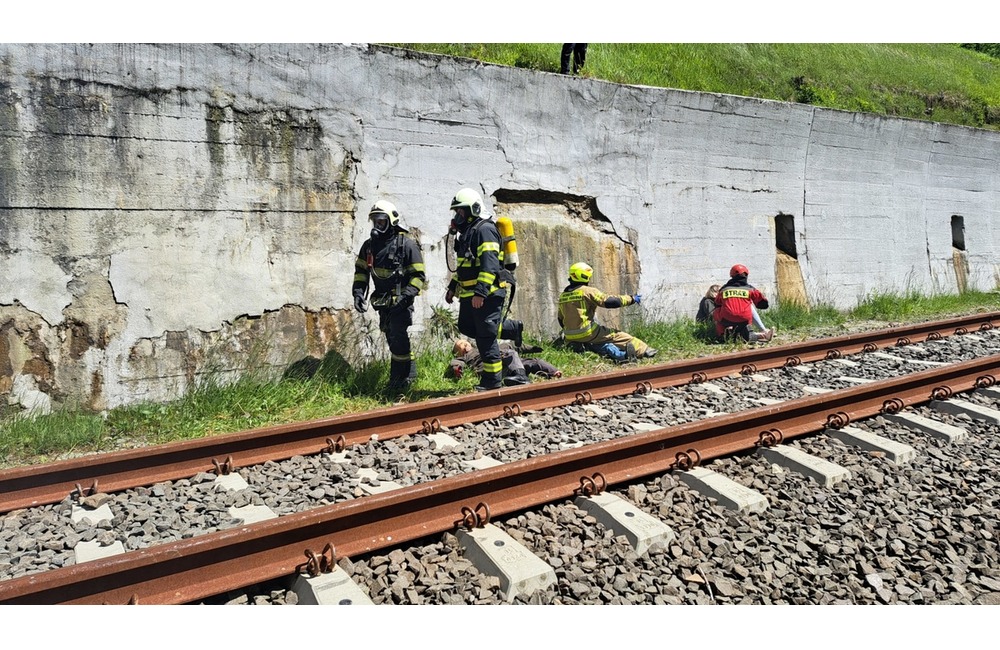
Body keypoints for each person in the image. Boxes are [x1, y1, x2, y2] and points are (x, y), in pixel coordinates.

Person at [352, 200, 426, 390]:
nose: (377, 225)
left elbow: (418, 276)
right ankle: (409, 373)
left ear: (391, 222)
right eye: (375, 221)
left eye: (381, 221)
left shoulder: (406, 245)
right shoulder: (369, 247)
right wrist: (358, 293)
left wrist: (407, 296)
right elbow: (361, 272)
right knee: (391, 337)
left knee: (398, 335)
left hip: (401, 301)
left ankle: (399, 380)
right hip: (383, 301)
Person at [445, 188, 510, 391]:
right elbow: (465, 267)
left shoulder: (485, 230)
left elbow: (489, 265)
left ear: (473, 210)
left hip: (487, 295)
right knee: (467, 327)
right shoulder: (467, 234)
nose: (458, 217)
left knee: (485, 337)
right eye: (456, 213)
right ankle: (508, 328)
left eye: (461, 212)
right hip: (470, 296)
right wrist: (452, 288)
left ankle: (492, 382)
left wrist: (481, 292)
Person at [557, 262, 657, 360]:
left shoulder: (563, 296)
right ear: (584, 276)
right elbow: (609, 301)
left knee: (598, 344)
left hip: (569, 336)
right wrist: (631, 299)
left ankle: (621, 356)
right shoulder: (587, 291)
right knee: (616, 335)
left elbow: (560, 319)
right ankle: (645, 350)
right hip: (587, 332)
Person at [446, 339, 561, 385]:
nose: (464, 346)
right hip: (491, 367)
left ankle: (554, 372)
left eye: (465, 343)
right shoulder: (467, 356)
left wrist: (532, 348)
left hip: (512, 362)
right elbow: (456, 362)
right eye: (460, 346)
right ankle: (520, 377)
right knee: (510, 354)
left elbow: (514, 345)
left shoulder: (485, 346)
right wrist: (457, 369)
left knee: (531, 361)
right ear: (458, 352)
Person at [713, 264, 774, 343]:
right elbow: (763, 304)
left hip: (727, 319)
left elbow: (717, 303)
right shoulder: (750, 289)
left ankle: (722, 334)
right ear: (746, 275)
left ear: (732, 276)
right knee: (749, 305)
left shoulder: (724, 289)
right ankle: (763, 332)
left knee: (716, 311)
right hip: (744, 319)